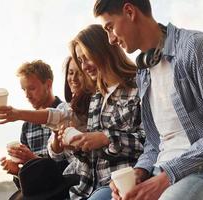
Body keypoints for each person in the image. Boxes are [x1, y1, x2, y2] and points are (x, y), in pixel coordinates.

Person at [93, 0, 203, 200]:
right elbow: (154, 143)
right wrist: (140, 171)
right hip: (160, 171)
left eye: (110, 28)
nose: (110, 40)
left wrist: (167, 175)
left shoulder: (197, 47)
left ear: (129, 11)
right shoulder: (143, 72)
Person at [50, 24, 145, 200]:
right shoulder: (96, 97)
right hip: (86, 187)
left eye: (87, 57)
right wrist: (78, 145)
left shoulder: (138, 85)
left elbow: (150, 142)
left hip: (121, 184)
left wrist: (105, 138)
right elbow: (93, 157)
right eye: (80, 60)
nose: (84, 66)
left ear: (104, 50)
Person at [0, 60, 66, 189]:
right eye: (24, 89)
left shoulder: (65, 114)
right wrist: (17, 171)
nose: (27, 95)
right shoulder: (27, 126)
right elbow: (29, 185)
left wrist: (33, 160)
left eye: (32, 88)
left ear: (48, 85)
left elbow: (70, 169)